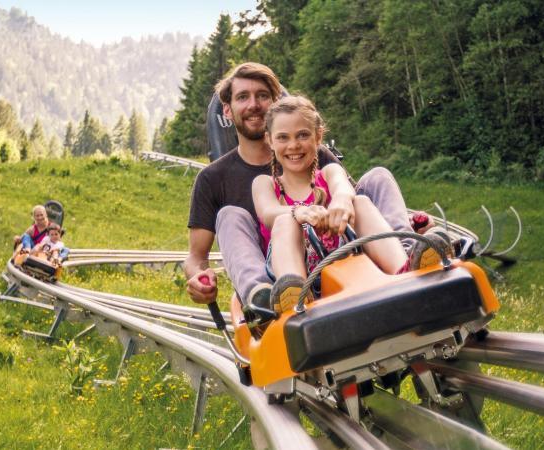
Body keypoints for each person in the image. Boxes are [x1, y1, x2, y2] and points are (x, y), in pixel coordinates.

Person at [185, 62, 441, 308]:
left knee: (377, 178)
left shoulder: (316, 157)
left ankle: (407, 254)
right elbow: (196, 258)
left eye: (262, 95)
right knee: (231, 214)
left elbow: (351, 198)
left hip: (340, 251)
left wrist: (407, 218)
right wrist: (197, 277)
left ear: (275, 102)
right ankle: (263, 295)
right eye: (243, 97)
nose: (253, 105)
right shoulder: (215, 179)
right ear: (227, 110)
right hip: (279, 265)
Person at [253, 96, 414, 313]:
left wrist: (340, 201)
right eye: (283, 137)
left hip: (343, 259)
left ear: (318, 136)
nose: (293, 145)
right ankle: (294, 296)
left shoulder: (329, 172)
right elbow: (268, 212)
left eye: (303, 135)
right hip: (296, 271)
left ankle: (403, 270)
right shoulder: (264, 183)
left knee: (360, 202)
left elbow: (343, 187)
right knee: (285, 220)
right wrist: (299, 211)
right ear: (270, 140)